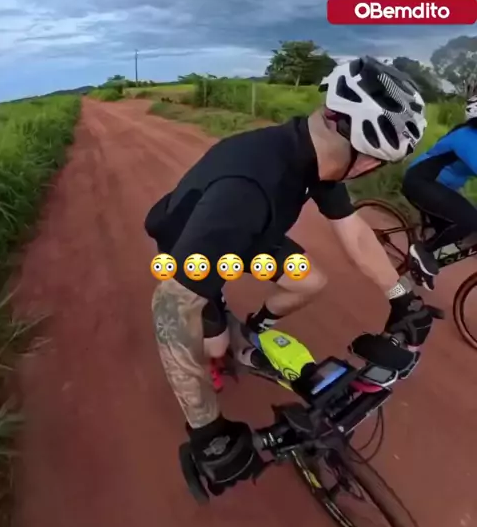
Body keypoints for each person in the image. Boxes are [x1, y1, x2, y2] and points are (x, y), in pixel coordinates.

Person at [146, 56, 435, 496]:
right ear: (363, 160)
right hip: (198, 246)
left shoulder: (315, 154)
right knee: (214, 346)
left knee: (310, 281)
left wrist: (401, 295)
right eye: (376, 161)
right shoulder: (248, 189)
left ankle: (255, 330)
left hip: (252, 234)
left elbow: (354, 231)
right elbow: (169, 305)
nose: (370, 170)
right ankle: (223, 336)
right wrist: (206, 429)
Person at [402, 93, 477, 289]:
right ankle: (423, 252)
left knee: (457, 230)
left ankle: (419, 267)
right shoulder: (467, 137)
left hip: (439, 189)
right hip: (421, 183)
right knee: (469, 219)